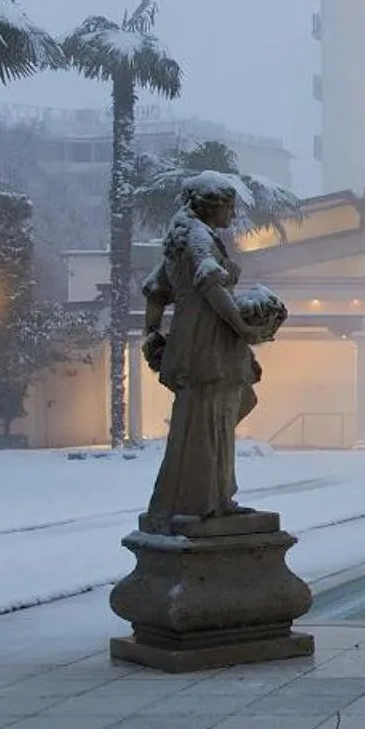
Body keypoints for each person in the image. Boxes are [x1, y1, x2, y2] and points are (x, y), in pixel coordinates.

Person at [141, 177, 277, 523]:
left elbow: (156, 290)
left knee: (216, 412)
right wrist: (242, 327)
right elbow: (211, 285)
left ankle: (206, 496)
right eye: (230, 206)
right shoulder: (199, 238)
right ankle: (208, 500)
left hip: (192, 334)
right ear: (211, 205)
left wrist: (152, 332)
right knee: (215, 414)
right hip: (208, 338)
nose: (233, 213)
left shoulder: (182, 237)